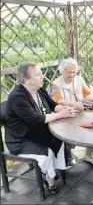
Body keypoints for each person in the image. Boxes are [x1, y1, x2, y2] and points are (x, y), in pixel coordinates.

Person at [5, 63, 76, 194]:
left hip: (37, 132)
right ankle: (50, 182)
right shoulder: (18, 97)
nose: (43, 76)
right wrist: (60, 115)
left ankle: (54, 170)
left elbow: (53, 105)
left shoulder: (39, 89)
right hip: (21, 139)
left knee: (58, 139)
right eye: (38, 74)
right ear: (26, 79)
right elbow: (35, 119)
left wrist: (64, 109)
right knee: (47, 151)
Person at [49, 58, 93, 166]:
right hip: (65, 115)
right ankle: (68, 156)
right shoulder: (55, 84)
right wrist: (73, 104)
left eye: (74, 72)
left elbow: (88, 93)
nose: (72, 75)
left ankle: (89, 155)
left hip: (81, 112)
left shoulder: (79, 80)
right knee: (68, 134)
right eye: (69, 72)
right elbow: (58, 101)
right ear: (62, 71)